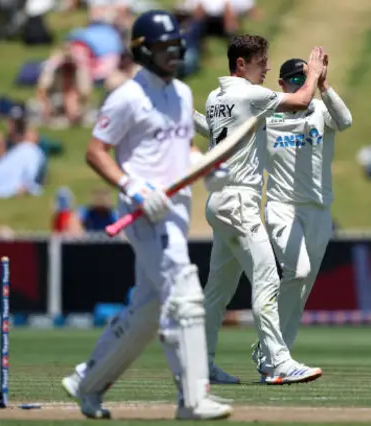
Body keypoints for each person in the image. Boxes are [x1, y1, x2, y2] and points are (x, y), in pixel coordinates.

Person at [59, 10, 233, 421]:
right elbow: (95, 151)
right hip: (142, 211)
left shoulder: (184, 95)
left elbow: (181, 149)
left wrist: (207, 166)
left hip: (175, 207)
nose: (171, 53)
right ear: (142, 51)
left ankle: (87, 384)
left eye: (175, 46)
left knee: (149, 309)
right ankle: (192, 400)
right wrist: (132, 186)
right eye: (162, 47)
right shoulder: (126, 97)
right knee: (184, 292)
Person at [198, 34, 327, 385]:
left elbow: (218, 133)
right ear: (241, 64)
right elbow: (301, 101)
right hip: (240, 201)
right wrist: (313, 72)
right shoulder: (248, 93)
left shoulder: (214, 97)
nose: (267, 68)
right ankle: (278, 362)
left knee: (217, 292)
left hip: (218, 201)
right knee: (268, 278)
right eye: (261, 62)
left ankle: (201, 364)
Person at [248, 57, 352, 381]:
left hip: (318, 209)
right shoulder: (268, 114)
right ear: (281, 85)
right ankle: (273, 355)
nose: (298, 85)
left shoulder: (320, 111)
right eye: (293, 80)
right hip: (280, 205)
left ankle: (272, 355)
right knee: (299, 269)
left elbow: (345, 121)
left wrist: (323, 85)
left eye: (303, 79)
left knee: (302, 285)